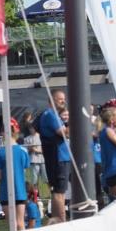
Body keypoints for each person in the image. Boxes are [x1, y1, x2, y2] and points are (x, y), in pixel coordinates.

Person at [0, 119, 30, 231]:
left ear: (3, 133)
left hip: (5, 192)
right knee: (21, 223)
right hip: (20, 192)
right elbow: (25, 169)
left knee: (12, 226)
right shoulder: (23, 151)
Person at [38, 90, 70, 223]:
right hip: (57, 157)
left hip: (62, 156)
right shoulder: (50, 115)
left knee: (60, 190)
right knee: (59, 191)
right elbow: (64, 133)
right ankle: (61, 220)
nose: (63, 101)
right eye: (60, 99)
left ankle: (57, 220)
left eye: (64, 98)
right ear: (52, 100)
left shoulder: (54, 115)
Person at [22, 123, 46, 198]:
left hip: (43, 160)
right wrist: (30, 149)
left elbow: (44, 149)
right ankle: (36, 196)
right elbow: (26, 151)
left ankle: (52, 194)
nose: (32, 129)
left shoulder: (42, 137)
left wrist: (35, 150)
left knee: (46, 178)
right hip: (33, 161)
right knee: (34, 180)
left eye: (33, 128)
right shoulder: (27, 139)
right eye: (30, 128)